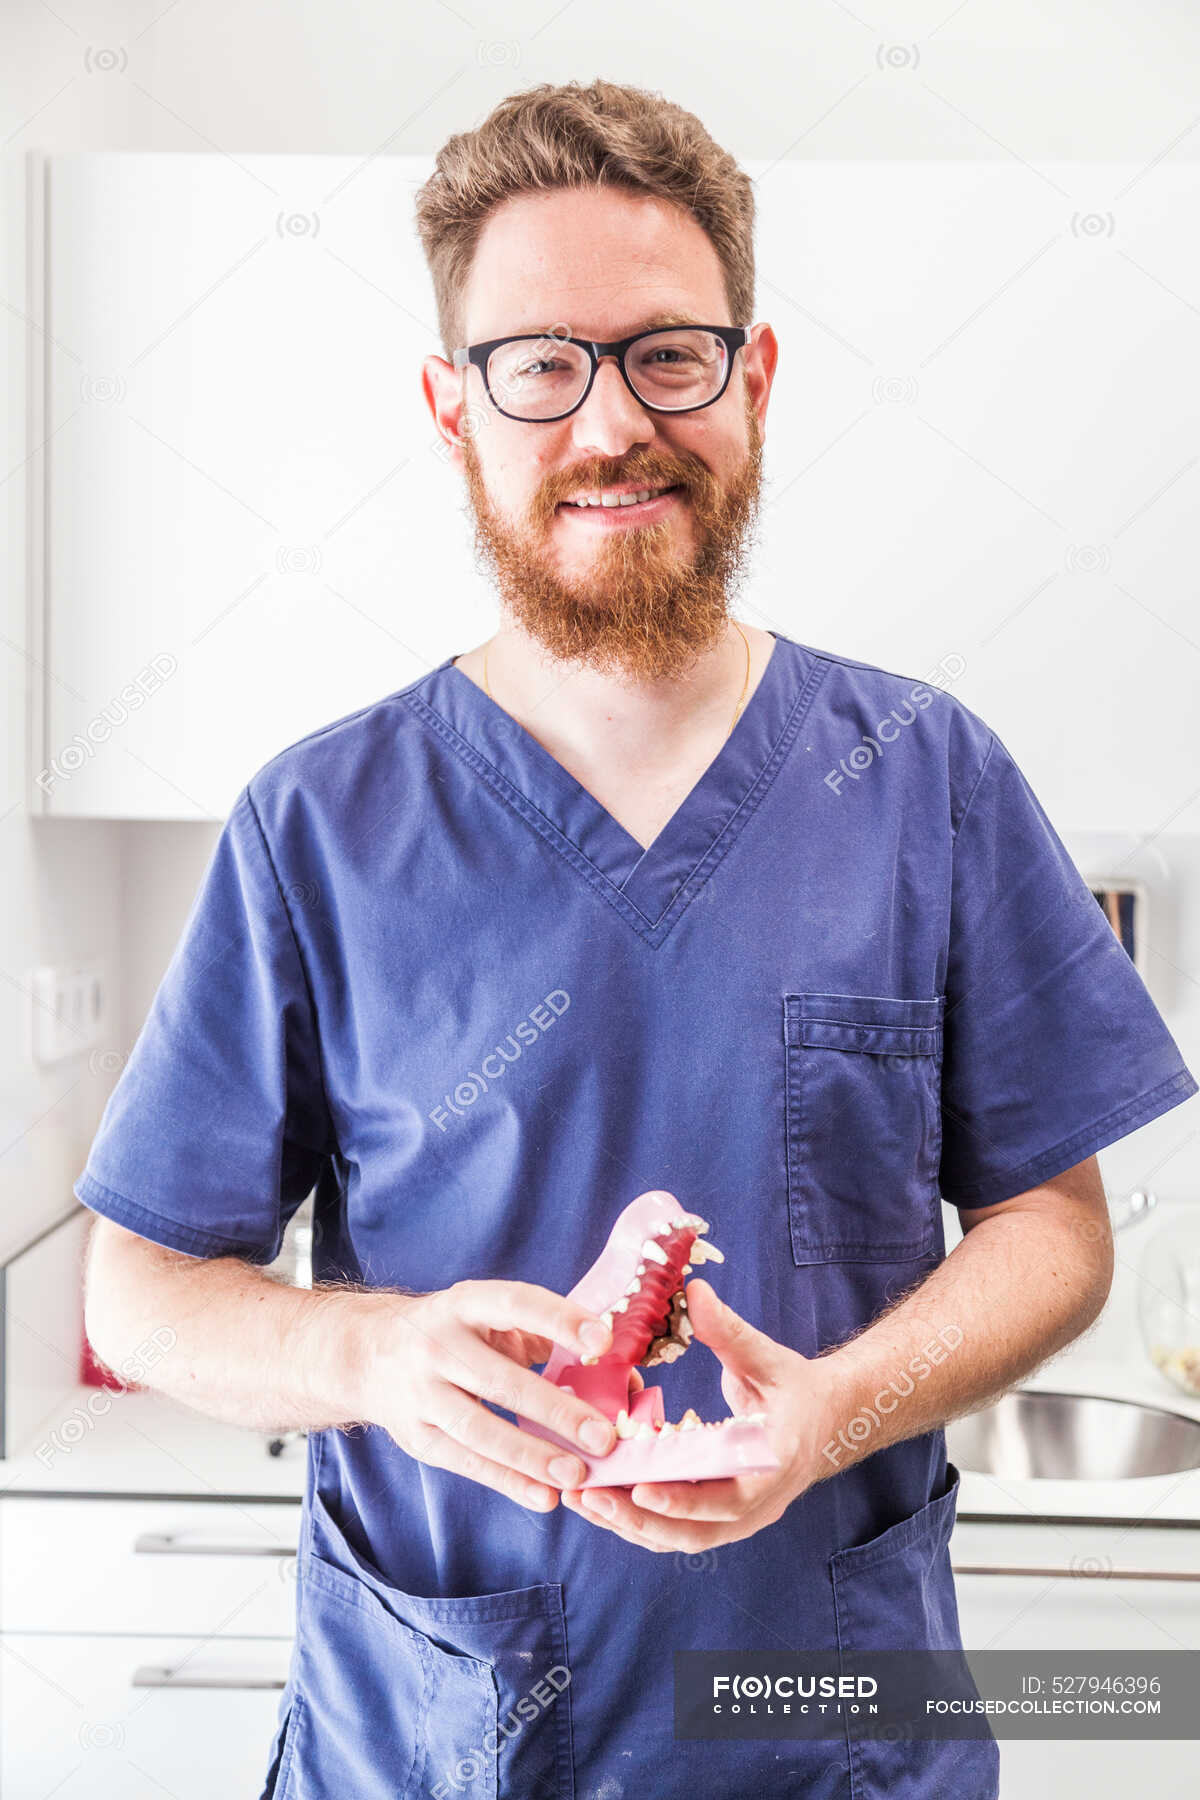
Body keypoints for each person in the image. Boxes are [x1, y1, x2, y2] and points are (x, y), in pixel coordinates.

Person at [77, 79, 1197, 1800]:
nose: (611, 424)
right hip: (443, 1744)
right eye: (539, 365)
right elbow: (139, 1292)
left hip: (825, 1732)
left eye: (668, 354)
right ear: (455, 410)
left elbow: (1053, 1229)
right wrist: (376, 1353)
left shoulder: (927, 778)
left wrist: (828, 1410)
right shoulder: (319, 825)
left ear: (752, 383)